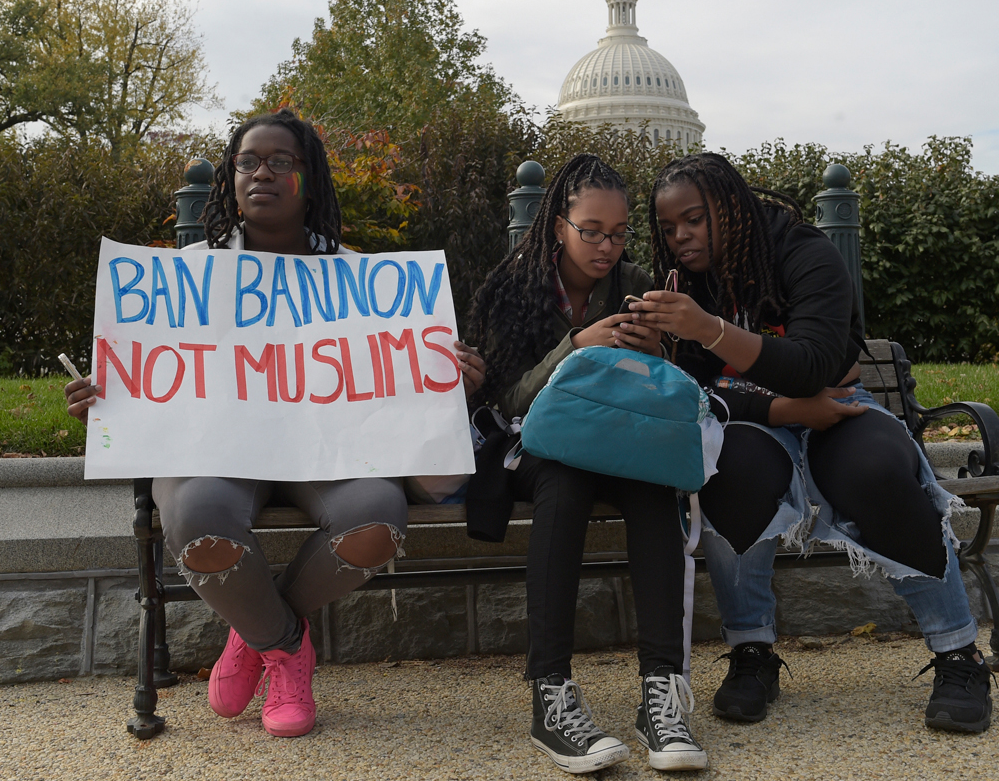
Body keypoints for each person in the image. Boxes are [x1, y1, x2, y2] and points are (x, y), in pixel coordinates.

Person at [64, 108, 485, 738]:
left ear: (307, 177)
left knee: (376, 518)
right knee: (198, 518)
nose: (263, 173)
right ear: (231, 177)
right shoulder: (186, 278)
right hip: (218, 455)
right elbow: (156, 371)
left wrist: (451, 380)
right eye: (249, 161)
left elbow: (395, 380)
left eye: (281, 162)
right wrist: (108, 394)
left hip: (328, 456)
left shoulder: (362, 280)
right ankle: (285, 647)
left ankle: (252, 630)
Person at [631, 152, 993, 734]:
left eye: (694, 220)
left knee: (874, 469)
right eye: (669, 227)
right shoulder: (682, 283)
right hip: (760, 415)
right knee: (724, 466)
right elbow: (696, 388)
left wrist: (709, 329)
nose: (680, 237)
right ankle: (752, 652)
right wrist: (783, 407)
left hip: (841, 404)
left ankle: (960, 654)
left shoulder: (805, 254)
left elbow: (815, 363)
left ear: (729, 208)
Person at [467, 153, 708, 773]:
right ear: (557, 227)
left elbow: (662, 389)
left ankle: (661, 695)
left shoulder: (636, 281)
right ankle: (551, 695)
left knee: (655, 486)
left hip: (622, 436)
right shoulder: (511, 288)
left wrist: (654, 354)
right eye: (591, 231)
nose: (607, 246)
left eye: (619, 232)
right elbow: (505, 398)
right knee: (566, 484)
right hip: (537, 446)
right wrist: (576, 347)